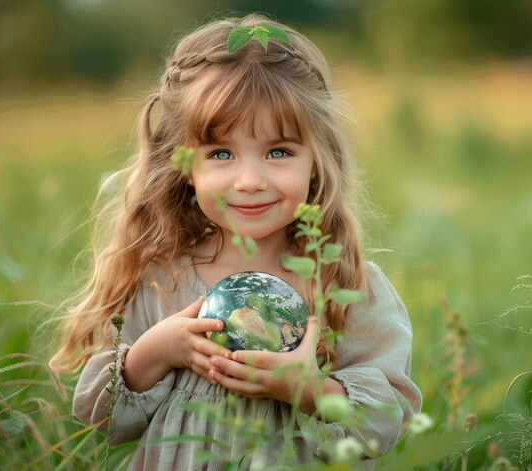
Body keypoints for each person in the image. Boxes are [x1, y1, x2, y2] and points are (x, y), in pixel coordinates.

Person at [50, 13, 421, 470]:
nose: (248, 180)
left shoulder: (343, 284)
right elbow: (102, 421)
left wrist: (307, 390)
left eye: (278, 151)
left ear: (317, 161)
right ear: (184, 164)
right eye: (221, 153)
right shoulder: (162, 278)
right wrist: (156, 350)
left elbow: (385, 423)